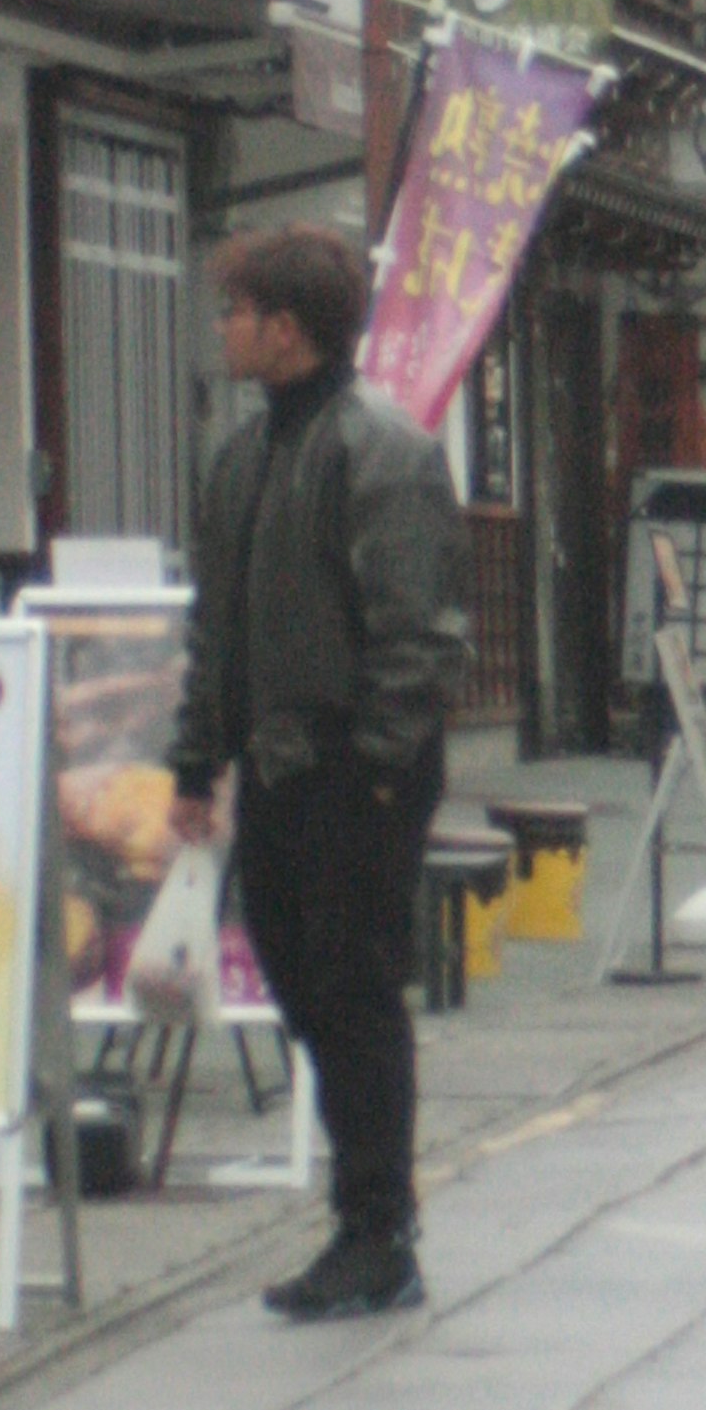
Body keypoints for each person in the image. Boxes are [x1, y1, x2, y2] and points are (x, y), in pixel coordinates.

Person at [165, 225, 469, 1320]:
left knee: (354, 992)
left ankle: (378, 1231)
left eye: (236, 310)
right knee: (302, 983)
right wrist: (196, 761)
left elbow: (421, 634)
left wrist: (381, 767)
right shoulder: (244, 456)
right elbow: (218, 626)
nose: (225, 328)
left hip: (355, 768)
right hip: (278, 768)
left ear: (285, 329)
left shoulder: (379, 446)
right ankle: (365, 1218)